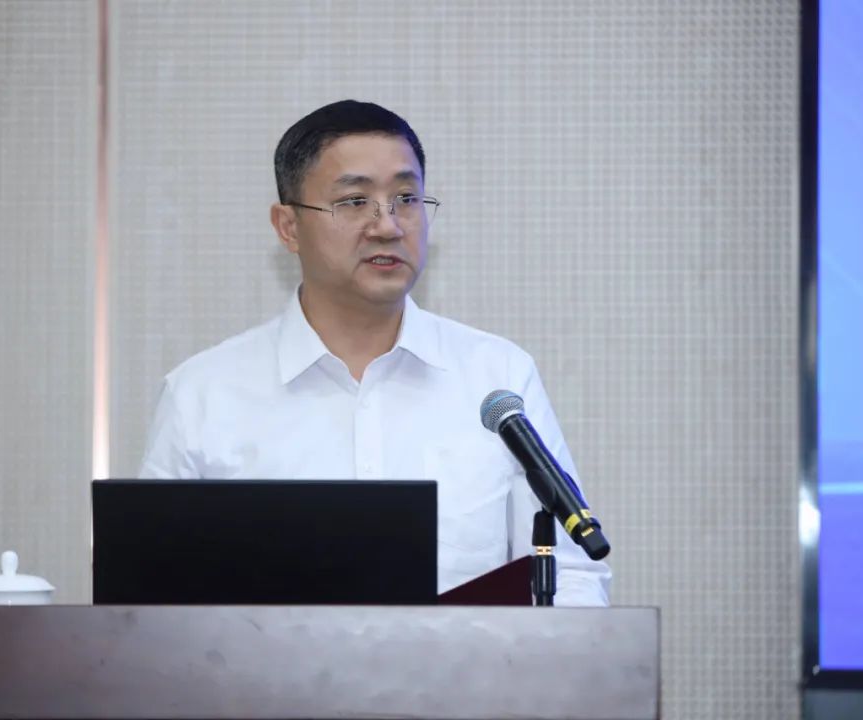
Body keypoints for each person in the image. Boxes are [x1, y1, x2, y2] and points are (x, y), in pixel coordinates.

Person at [139, 99, 611, 606]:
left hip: (466, 661)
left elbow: (572, 576)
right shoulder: (202, 395)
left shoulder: (498, 378)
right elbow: (148, 598)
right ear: (288, 227)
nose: (387, 226)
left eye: (406, 198)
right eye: (354, 201)